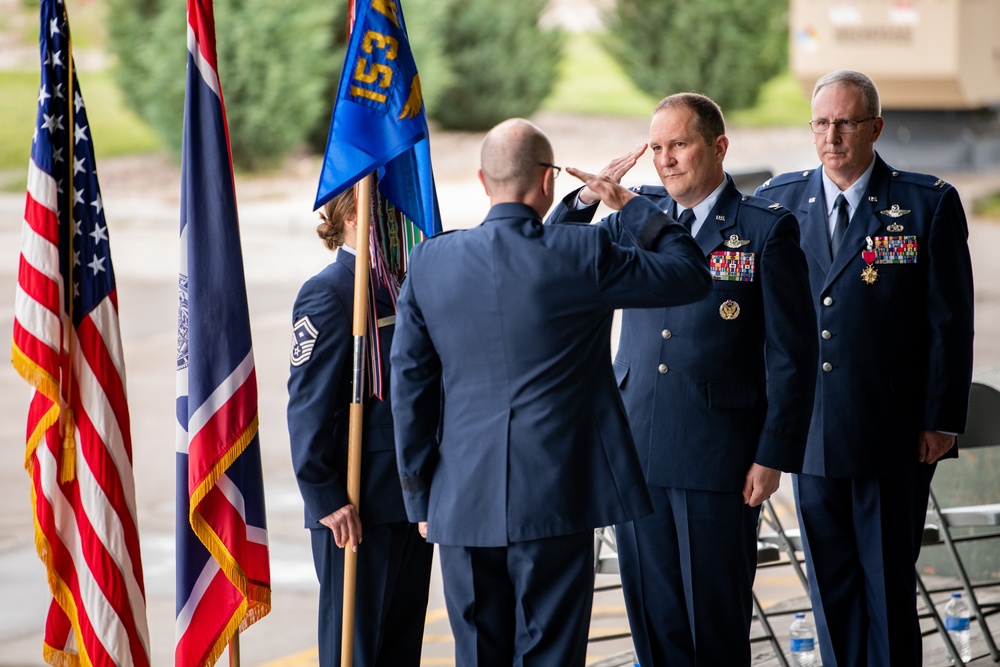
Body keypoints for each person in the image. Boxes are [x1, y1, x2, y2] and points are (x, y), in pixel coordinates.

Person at [390, 118, 712, 667]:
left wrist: (421, 497)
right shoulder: (582, 253)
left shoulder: (428, 262)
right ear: (546, 183)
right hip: (556, 496)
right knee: (550, 654)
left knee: (478, 655)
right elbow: (689, 273)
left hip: (461, 499)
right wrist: (628, 205)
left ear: (483, 179)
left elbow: (410, 388)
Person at [549, 92, 818, 666]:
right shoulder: (633, 217)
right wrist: (585, 198)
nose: (666, 160)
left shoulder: (764, 230)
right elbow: (552, 251)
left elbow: (792, 354)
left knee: (714, 625)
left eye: (679, 144)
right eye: (656, 148)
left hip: (717, 455)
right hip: (638, 449)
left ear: (718, 146)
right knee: (653, 622)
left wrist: (773, 455)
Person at [756, 69, 975, 666]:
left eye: (846, 123)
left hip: (892, 431)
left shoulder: (926, 203)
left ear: (875, 127)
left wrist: (942, 417)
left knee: (885, 587)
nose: (832, 136)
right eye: (822, 123)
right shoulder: (777, 202)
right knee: (831, 588)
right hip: (807, 431)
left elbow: (949, 323)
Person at [287, 188, 434, 667]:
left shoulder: (405, 285)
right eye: (386, 212)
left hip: (412, 499)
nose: (398, 223)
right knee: (356, 650)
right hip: (358, 503)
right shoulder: (330, 292)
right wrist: (325, 496)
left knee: (400, 647)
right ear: (354, 216)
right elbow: (309, 404)